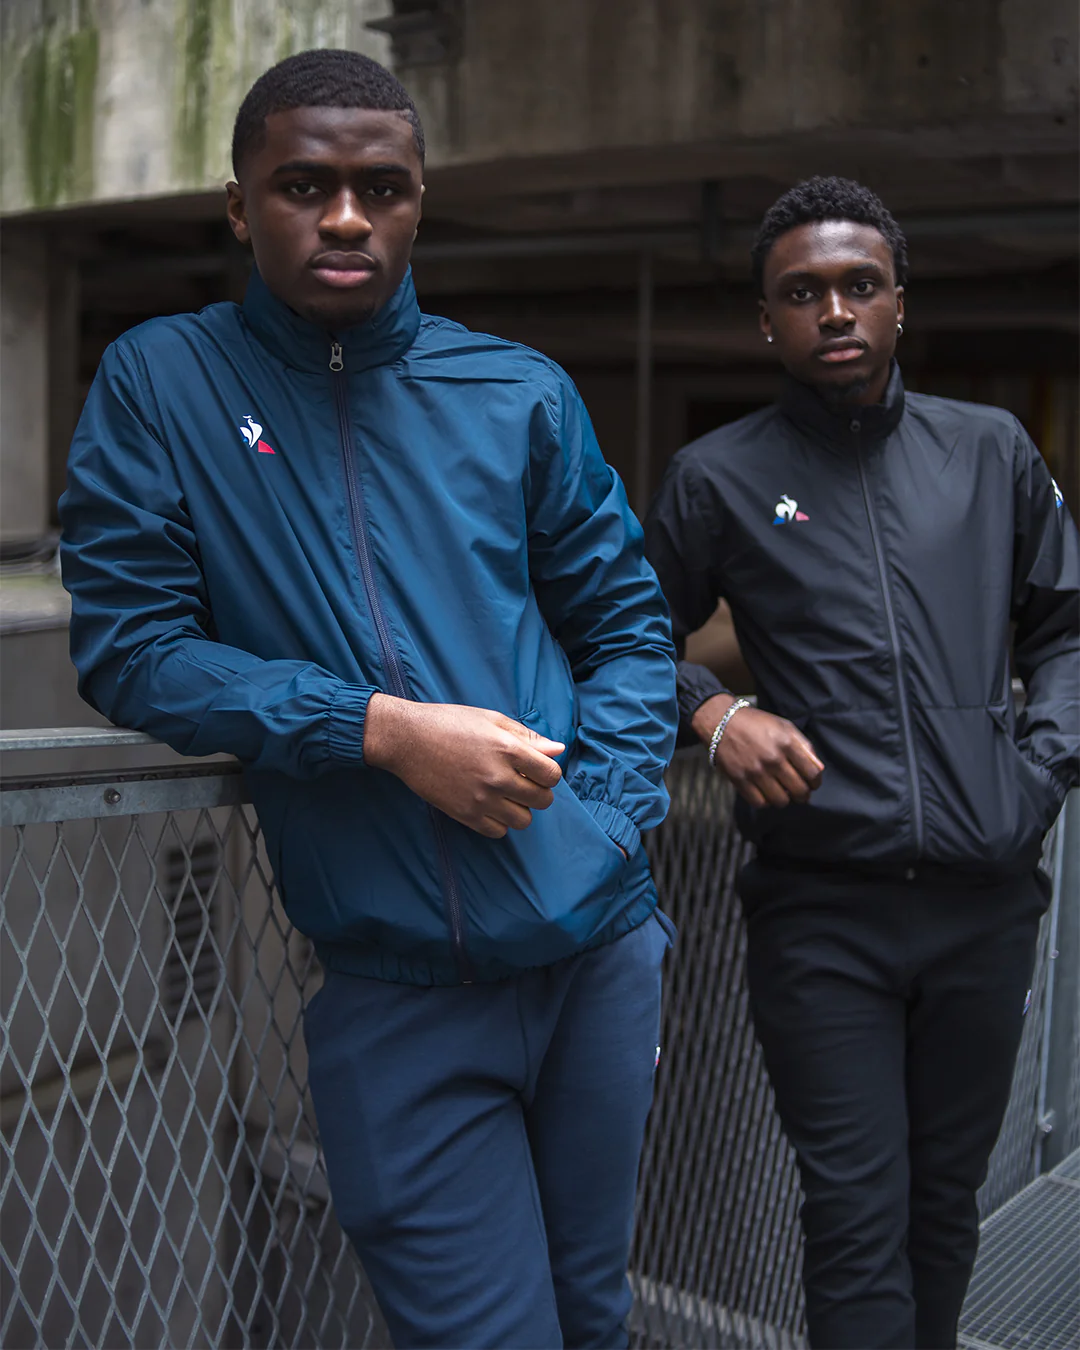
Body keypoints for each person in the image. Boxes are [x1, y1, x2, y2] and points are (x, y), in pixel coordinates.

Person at [60, 49, 678, 1350]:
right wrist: (379, 731)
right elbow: (133, 645)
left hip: (597, 957)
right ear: (241, 207)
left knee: (595, 1316)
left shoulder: (518, 392)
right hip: (395, 991)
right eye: (305, 185)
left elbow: (627, 626)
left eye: (380, 189)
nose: (345, 217)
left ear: (416, 205)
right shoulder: (165, 382)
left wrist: (612, 818)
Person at [644, 176, 1079, 1350]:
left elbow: (1067, 627)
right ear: (766, 321)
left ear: (897, 304)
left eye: (859, 285)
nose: (833, 311)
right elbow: (621, 642)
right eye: (803, 293)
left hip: (984, 906)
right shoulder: (717, 478)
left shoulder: (989, 451)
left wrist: (1038, 772)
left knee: (943, 1210)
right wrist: (714, 712)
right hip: (821, 913)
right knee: (854, 1215)